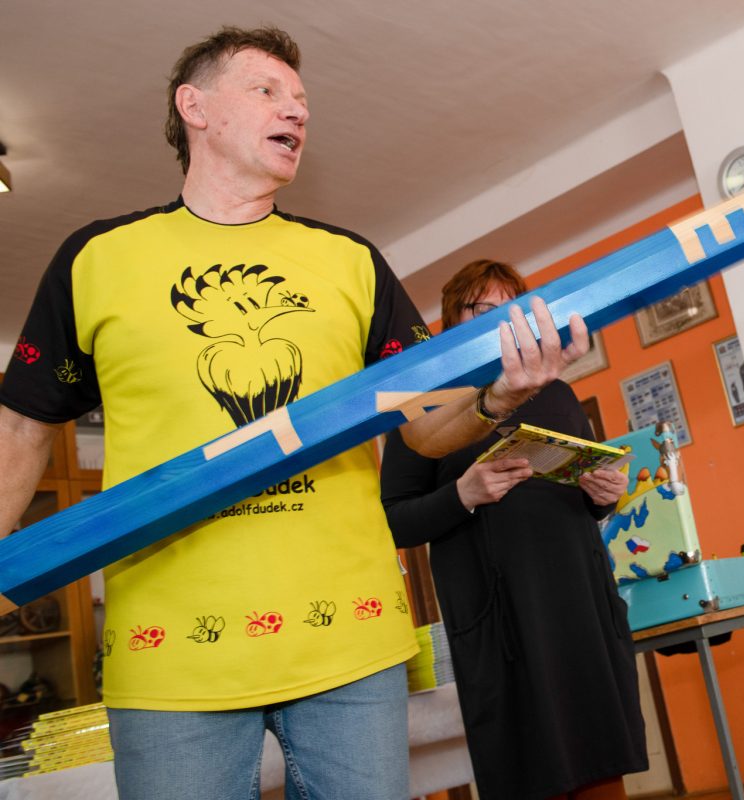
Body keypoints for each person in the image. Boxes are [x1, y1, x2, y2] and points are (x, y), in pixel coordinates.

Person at [0, 27, 588, 800]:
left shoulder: (351, 261)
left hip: (349, 641)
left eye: (303, 100)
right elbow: (22, 425)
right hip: (174, 653)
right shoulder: (96, 259)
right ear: (194, 106)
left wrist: (497, 397)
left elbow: (424, 425)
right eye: (268, 91)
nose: (297, 111)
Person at [380, 259, 648, 800]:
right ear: (452, 320)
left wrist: (603, 497)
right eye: (484, 308)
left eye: (513, 308)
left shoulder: (558, 394)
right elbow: (392, 520)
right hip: (501, 617)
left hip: (579, 605)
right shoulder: (428, 407)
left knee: (600, 753)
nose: (502, 319)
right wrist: (462, 494)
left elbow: (580, 494)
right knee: (525, 760)